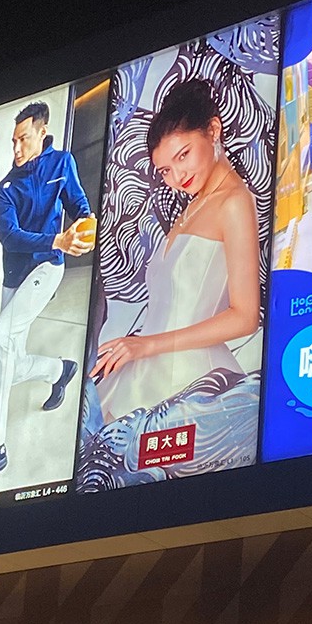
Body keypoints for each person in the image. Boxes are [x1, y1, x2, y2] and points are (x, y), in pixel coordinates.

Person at [91, 78, 260, 420]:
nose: (178, 175)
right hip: (144, 370)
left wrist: (147, 345)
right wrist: (139, 345)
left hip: (190, 381)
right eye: (166, 170)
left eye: (184, 155)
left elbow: (245, 317)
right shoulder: (194, 205)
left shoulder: (234, 202)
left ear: (213, 131)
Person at [0, 100, 95, 487]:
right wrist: (57, 238)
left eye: (24, 139)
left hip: (47, 266)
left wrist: (85, 221)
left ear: (42, 133)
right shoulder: (2, 192)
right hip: (15, 276)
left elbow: (77, 202)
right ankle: (61, 371)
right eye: (13, 141)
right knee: (9, 365)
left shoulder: (62, 163)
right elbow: (11, 237)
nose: (16, 148)